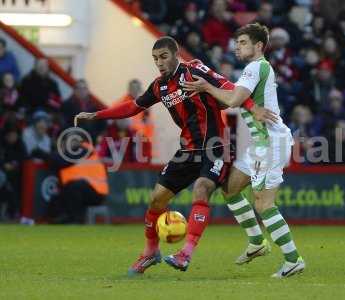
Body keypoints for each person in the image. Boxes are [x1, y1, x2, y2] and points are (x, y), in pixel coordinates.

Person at [75, 36, 272, 275]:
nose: (159, 63)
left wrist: (254, 108)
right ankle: (150, 252)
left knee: (202, 188)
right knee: (157, 199)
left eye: (163, 57)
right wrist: (98, 114)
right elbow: (134, 106)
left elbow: (230, 88)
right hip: (187, 150)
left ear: (176, 55)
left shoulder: (195, 70)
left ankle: (185, 253)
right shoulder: (159, 86)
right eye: (155, 59)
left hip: (214, 146)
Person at [184, 23, 305, 278]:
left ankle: (293, 260)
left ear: (258, 45)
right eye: (236, 43)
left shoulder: (255, 67)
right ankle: (256, 242)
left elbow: (232, 100)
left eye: (242, 43)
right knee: (230, 189)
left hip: (271, 143)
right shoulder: (256, 69)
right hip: (260, 144)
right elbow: (234, 95)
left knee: (263, 205)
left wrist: (205, 87)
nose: (236, 47)